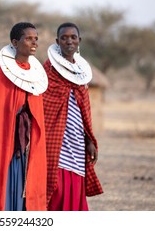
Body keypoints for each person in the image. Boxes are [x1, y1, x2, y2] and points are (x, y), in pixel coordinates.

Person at [0, 22, 48, 211]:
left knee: (23, 187)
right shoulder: (2, 73)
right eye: (28, 39)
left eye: (36, 39)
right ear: (15, 42)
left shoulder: (36, 76)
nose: (34, 43)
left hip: (25, 146)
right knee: (2, 183)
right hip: (4, 142)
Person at [43, 22, 103, 211]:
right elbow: (43, 105)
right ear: (57, 41)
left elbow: (85, 109)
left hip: (77, 140)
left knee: (76, 183)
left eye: (73, 37)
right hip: (54, 138)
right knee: (56, 185)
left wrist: (89, 140)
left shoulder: (83, 73)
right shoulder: (48, 69)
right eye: (64, 37)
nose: (69, 41)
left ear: (79, 41)